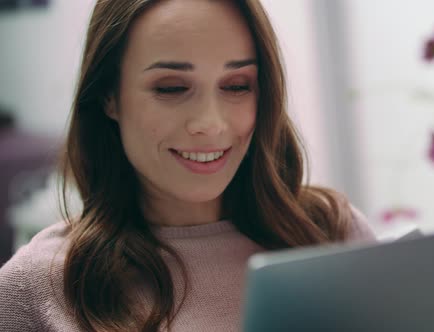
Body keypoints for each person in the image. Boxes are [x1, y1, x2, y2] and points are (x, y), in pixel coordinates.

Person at [0, 0, 376, 331]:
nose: (210, 123)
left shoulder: (331, 231)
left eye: (236, 85)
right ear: (109, 97)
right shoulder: (37, 287)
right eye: (171, 88)